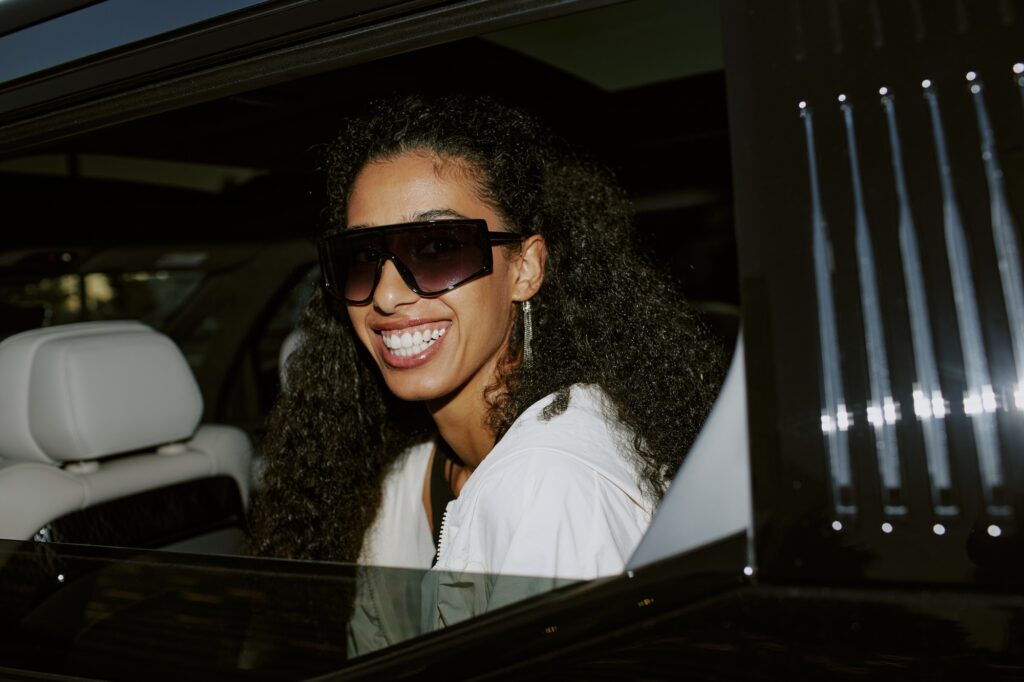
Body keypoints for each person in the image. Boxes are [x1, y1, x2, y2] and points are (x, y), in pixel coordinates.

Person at [248, 94, 723, 590]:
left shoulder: (551, 485)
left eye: (436, 248)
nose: (387, 295)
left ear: (525, 268)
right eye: (362, 256)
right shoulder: (406, 477)